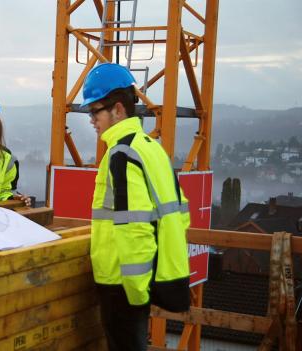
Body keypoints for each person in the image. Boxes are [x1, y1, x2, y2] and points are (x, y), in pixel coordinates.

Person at [82, 63, 190, 350]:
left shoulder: (121, 154)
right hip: (143, 278)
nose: (91, 119)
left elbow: (134, 228)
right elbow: (182, 212)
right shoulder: (151, 147)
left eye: (95, 111)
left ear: (118, 110)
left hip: (122, 283)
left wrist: (136, 291)